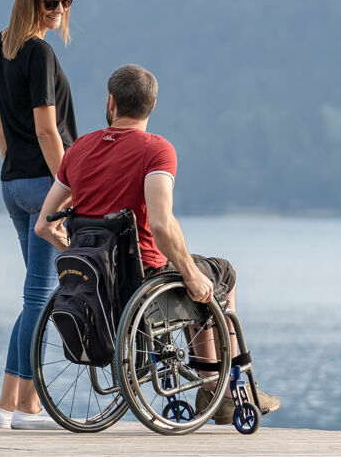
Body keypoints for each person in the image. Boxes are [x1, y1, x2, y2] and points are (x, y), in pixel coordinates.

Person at [33, 64, 279, 425]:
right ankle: (220, 388)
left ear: (111, 102)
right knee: (221, 274)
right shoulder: (156, 151)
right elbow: (162, 226)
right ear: (151, 106)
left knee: (193, 271)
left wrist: (81, 255)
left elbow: (44, 225)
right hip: (145, 277)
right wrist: (191, 275)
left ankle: (211, 383)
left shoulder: (79, 149)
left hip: (97, 282)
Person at [0, 0, 77, 430]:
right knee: (39, 296)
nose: (59, 9)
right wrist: (68, 184)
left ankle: (16, 405)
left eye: (66, 0)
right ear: (31, 1)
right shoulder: (39, 53)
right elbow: (46, 129)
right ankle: (19, 407)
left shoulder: (0, 46)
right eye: (51, 2)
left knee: (34, 297)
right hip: (45, 185)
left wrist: (15, 170)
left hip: (14, 184)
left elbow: (0, 126)